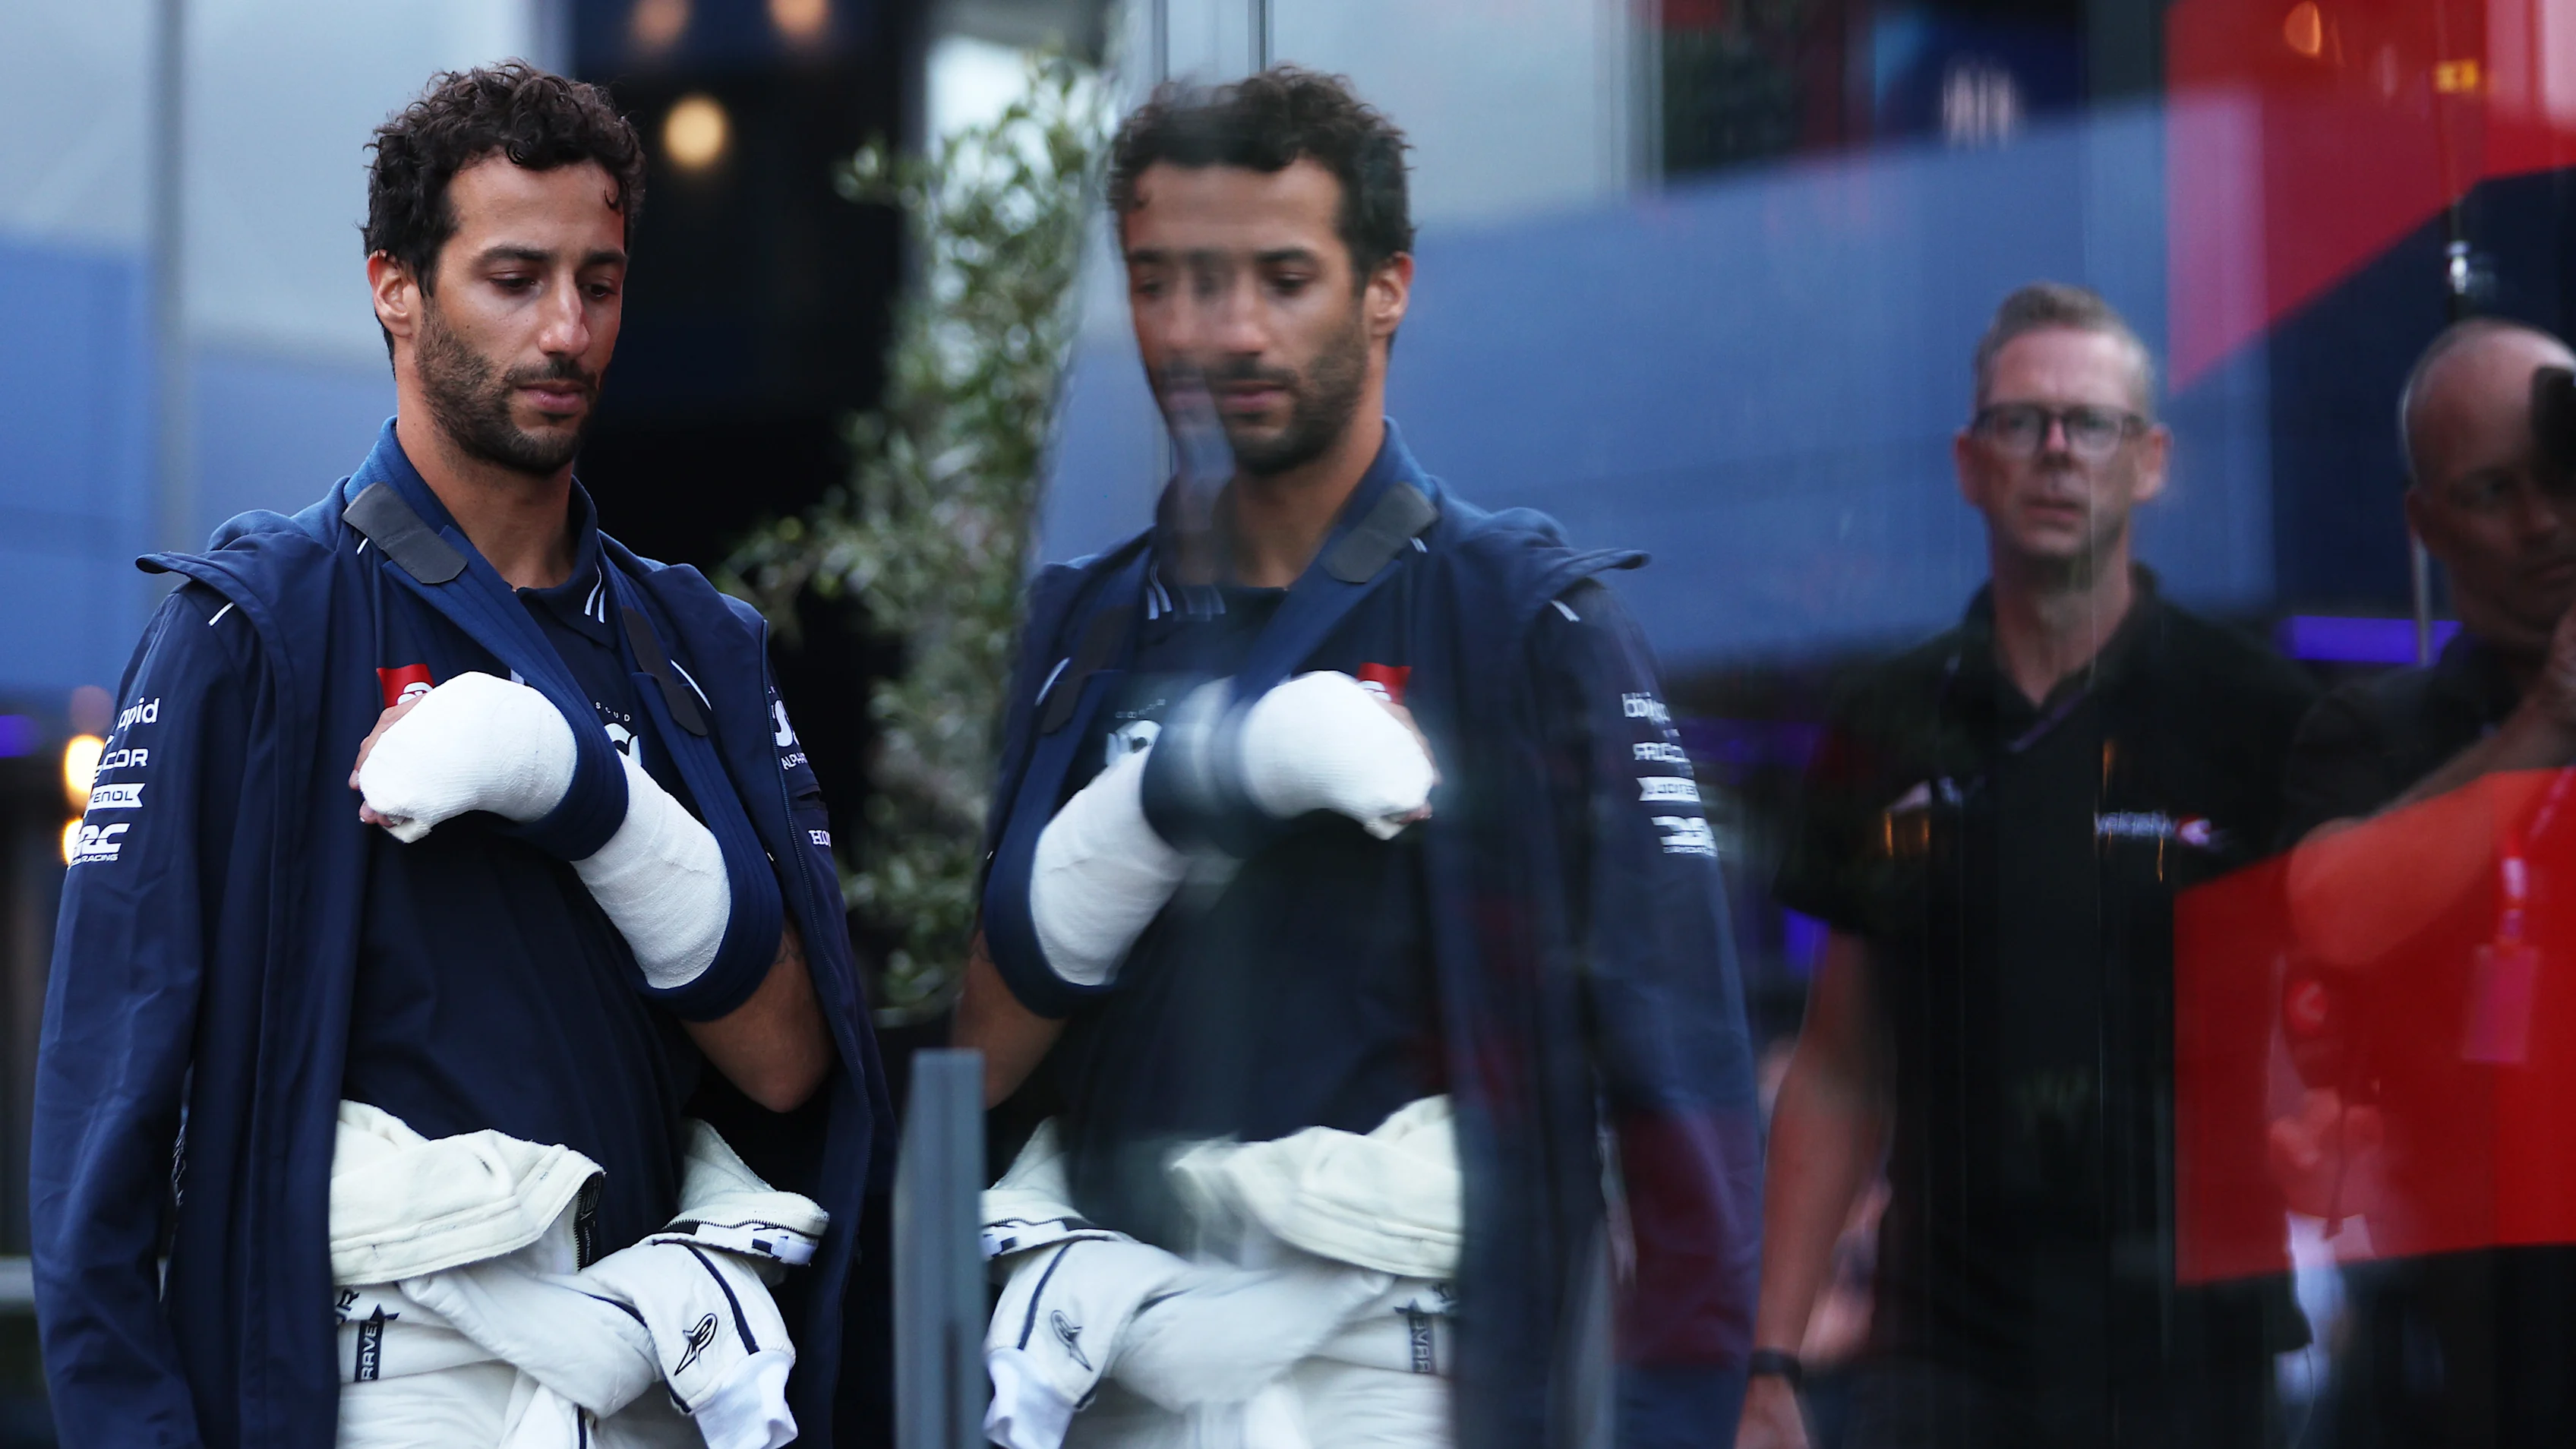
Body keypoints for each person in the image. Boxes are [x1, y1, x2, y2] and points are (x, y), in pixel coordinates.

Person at [30, 64, 889, 1448]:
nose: (566, 330)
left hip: (644, 1390)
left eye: (598, 282)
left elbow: (794, 1070)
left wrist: (595, 798)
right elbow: (98, 1141)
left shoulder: (697, 648)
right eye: (513, 277)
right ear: (396, 287)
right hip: (362, 1392)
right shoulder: (251, 633)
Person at [953, 67, 1762, 1447]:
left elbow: (1681, 1105)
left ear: (1387, 286)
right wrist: (1161, 803)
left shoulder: (1524, 622)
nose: (1227, 331)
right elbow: (969, 1068)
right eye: (1174, 281)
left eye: (1282, 276)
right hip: (1114, 1378)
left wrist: (1673, 1420)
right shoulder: (1075, 635)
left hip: (1413, 1383)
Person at [1741, 283, 2318, 1448]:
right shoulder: (1889, 722)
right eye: (2022, 422)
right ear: (1968, 462)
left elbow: (2336, 1024)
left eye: (2091, 424)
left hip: (2196, 1352)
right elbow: (1841, 1065)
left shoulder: (2258, 719)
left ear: (2150, 461)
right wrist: (1770, 1358)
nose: (2058, 453)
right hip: (1944, 1352)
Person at [2273, 317, 2576, 1448]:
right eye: (2496, 492)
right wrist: (2549, 720)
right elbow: (2331, 911)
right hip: (2472, 1332)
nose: (2543, 522)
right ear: (2427, 521)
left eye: (2560, 477)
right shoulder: (2379, 729)